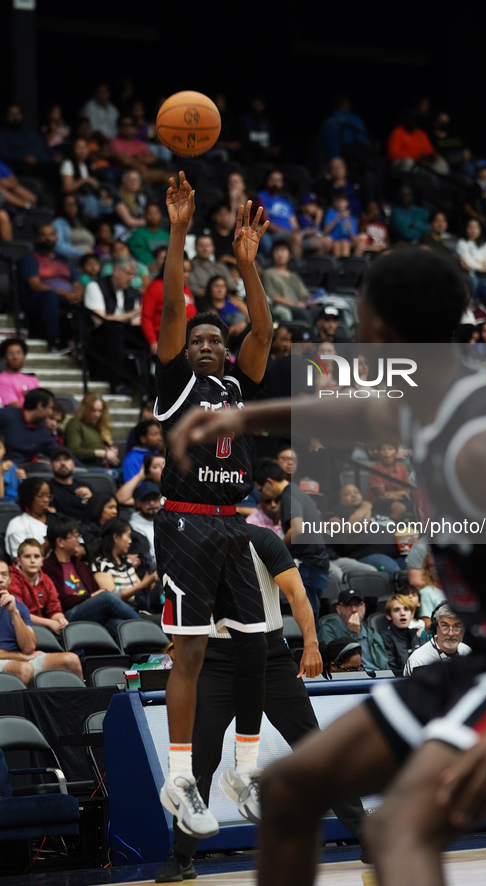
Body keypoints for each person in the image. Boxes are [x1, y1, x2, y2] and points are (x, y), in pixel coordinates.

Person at [165, 246, 486, 886]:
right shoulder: (429, 397)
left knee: (397, 830)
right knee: (290, 789)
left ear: (381, 331)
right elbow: (361, 411)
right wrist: (245, 415)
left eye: (358, 316)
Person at [154, 171, 273, 837]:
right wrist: (178, 229)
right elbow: (174, 310)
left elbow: (261, 326)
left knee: (256, 647)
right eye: (196, 341)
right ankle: (181, 778)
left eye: (212, 341)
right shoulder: (175, 386)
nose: (204, 344)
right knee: (191, 652)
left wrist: (247, 265)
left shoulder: (238, 384)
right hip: (185, 527)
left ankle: (244, 767)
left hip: (234, 527)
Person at [155, 524, 363, 882]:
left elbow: (298, 593)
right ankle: (182, 855)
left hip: (268, 654)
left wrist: (311, 644)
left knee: (313, 746)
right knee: (202, 756)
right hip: (216, 659)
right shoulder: (190, 546)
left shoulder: (262, 540)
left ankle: (366, 833)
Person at [253, 460, 329, 621]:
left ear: (269, 482)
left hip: (310, 565)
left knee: (307, 620)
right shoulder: (295, 491)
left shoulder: (289, 495)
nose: (263, 495)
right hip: (315, 564)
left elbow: (297, 529)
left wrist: (276, 547)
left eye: (261, 490)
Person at [42, 516, 141, 638]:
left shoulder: (81, 565)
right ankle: (149, 630)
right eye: (75, 536)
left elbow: (94, 591)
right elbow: (60, 601)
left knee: (123, 627)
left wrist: (92, 596)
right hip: (66, 615)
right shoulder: (48, 568)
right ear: (60, 542)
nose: (79, 540)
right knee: (108, 598)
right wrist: (90, 597)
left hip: (89, 611)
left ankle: (156, 653)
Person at [0, 558, 82, 686]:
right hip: (13, 661)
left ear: (10, 580)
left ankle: (82, 705)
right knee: (25, 669)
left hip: (23, 660)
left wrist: (14, 612)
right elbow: (27, 655)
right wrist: (24, 658)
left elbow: (29, 647)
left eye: (4, 574)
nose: (1, 579)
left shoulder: (19, 607)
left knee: (71, 660)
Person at [84, 255, 146, 395]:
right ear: (116, 271)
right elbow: (101, 320)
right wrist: (132, 314)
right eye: (128, 273)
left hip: (123, 336)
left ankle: (149, 383)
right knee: (115, 328)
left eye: (133, 275)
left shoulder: (132, 292)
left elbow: (137, 321)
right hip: (98, 340)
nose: (131, 278)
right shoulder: (95, 287)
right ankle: (117, 383)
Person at [20, 224, 82, 351]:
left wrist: (77, 294)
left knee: (88, 297)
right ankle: (55, 341)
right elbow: (35, 285)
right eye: (43, 235)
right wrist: (65, 294)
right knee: (50, 295)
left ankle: (81, 344)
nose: (48, 238)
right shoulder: (31, 258)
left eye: (51, 234)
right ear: (37, 239)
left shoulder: (64, 259)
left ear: (57, 238)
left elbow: (76, 282)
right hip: (39, 299)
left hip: (67, 298)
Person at [91, 517, 157, 610]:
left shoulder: (125, 562)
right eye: (128, 536)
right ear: (116, 537)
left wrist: (148, 584)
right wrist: (143, 584)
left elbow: (138, 587)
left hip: (136, 610)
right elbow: (112, 597)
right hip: (118, 614)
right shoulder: (101, 564)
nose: (130, 541)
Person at [318, 589, 389, 671]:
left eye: (357, 605)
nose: (354, 609)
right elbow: (333, 664)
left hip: (379, 677)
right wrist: (352, 633)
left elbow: (385, 665)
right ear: (338, 609)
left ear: (364, 607)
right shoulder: (328, 630)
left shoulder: (372, 633)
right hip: (353, 677)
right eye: (348, 605)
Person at [142, 257, 196, 355]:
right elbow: (146, 317)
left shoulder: (186, 288)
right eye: (184, 271)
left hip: (188, 340)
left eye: (189, 271)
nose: (187, 275)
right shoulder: (156, 287)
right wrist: (153, 341)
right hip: (166, 341)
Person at [403, 602, 470, 675]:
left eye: (457, 627)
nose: (450, 633)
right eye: (444, 626)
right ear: (435, 628)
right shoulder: (419, 660)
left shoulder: (468, 652)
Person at [0, 388, 57, 464]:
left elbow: (57, 452)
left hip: (25, 471)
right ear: (40, 406)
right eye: (50, 408)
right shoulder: (6, 416)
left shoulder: (41, 431)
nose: (51, 412)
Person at [64, 393, 119, 469]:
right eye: (93, 410)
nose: (97, 414)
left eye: (100, 411)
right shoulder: (75, 424)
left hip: (102, 467)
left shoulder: (99, 426)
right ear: (85, 410)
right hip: (86, 469)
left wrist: (110, 451)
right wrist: (100, 453)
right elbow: (74, 451)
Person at [261, 241, 310, 322]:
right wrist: (294, 305)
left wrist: (309, 301)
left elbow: (304, 295)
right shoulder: (268, 273)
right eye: (277, 251)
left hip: (299, 307)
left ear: (289, 255)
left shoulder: (294, 276)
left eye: (283, 251)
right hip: (280, 307)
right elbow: (272, 296)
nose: (280, 254)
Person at [5, 478, 54, 558]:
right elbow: (22, 559)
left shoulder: (56, 518)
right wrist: (51, 539)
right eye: (40, 496)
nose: (46, 500)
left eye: (49, 496)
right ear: (28, 498)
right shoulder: (17, 524)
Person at [257, 170, 302, 257]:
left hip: (292, 235)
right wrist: (289, 233)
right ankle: (296, 267)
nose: (275, 183)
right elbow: (265, 222)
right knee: (296, 238)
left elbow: (295, 225)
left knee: (322, 242)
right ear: (267, 181)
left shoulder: (286, 201)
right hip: (273, 234)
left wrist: (302, 232)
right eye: (272, 180)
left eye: (278, 180)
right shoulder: (261, 197)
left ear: (282, 183)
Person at [366, 441, 411, 521]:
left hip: (397, 499)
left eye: (390, 449)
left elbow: (405, 490)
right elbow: (382, 494)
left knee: (419, 505)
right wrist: (401, 494)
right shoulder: (376, 468)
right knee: (399, 508)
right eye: (383, 449)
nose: (386, 452)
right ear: (379, 453)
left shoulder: (402, 468)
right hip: (377, 500)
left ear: (396, 452)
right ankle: (388, 530)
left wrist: (401, 494)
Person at [49, 447, 93, 521]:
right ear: (51, 466)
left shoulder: (86, 486)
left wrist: (91, 499)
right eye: (57, 460)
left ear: (73, 464)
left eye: (66, 459)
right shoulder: (48, 489)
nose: (62, 463)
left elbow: (97, 513)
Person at [187, 233, 236, 299]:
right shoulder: (189, 267)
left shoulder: (220, 267)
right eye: (201, 246)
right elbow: (190, 289)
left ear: (213, 248)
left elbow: (232, 287)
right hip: (200, 304)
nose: (205, 249)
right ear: (195, 247)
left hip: (223, 303)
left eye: (207, 246)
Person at [52, 195, 96, 259]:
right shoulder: (58, 224)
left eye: (74, 204)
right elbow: (58, 246)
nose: (72, 207)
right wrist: (82, 253)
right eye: (68, 205)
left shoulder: (79, 222)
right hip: (73, 260)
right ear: (62, 207)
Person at [128, 203, 170, 269]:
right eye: (150, 213)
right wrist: (153, 264)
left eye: (156, 213)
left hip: (167, 269)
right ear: (145, 215)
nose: (154, 216)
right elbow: (138, 251)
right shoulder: (138, 234)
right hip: (146, 269)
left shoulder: (166, 235)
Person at [0, 338, 39, 408]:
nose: (15, 357)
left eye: (19, 353)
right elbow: (13, 405)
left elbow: (40, 401)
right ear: (4, 358)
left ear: (24, 357)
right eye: (10, 354)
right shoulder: (2, 380)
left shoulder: (32, 378)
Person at [129, 480, 161, 558]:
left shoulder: (168, 520)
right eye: (147, 500)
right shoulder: (132, 527)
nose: (152, 503)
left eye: (155, 499)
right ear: (138, 503)